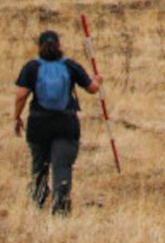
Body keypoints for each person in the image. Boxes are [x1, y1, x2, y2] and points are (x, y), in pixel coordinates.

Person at [13, 30, 100, 215]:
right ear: (60, 46)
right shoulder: (70, 65)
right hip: (66, 123)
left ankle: (38, 200)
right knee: (62, 167)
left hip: (38, 124)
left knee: (40, 165)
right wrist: (97, 81)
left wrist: (16, 116)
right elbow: (92, 89)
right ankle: (60, 209)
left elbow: (21, 95)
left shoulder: (32, 67)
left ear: (39, 46)